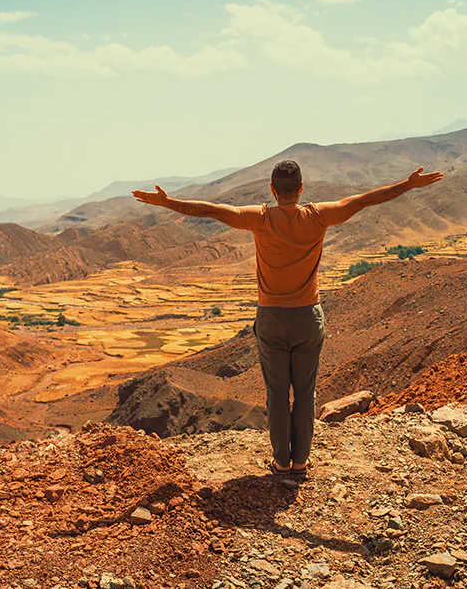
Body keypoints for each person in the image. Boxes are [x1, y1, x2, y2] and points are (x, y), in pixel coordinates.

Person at [132, 160, 443, 475]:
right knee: (305, 392)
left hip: (271, 319)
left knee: (277, 393)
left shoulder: (260, 218)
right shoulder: (319, 215)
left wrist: (169, 203)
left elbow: (212, 210)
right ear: (302, 188)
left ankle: (281, 462)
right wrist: (407, 184)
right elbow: (363, 201)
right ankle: (300, 462)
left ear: (272, 190)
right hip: (308, 318)